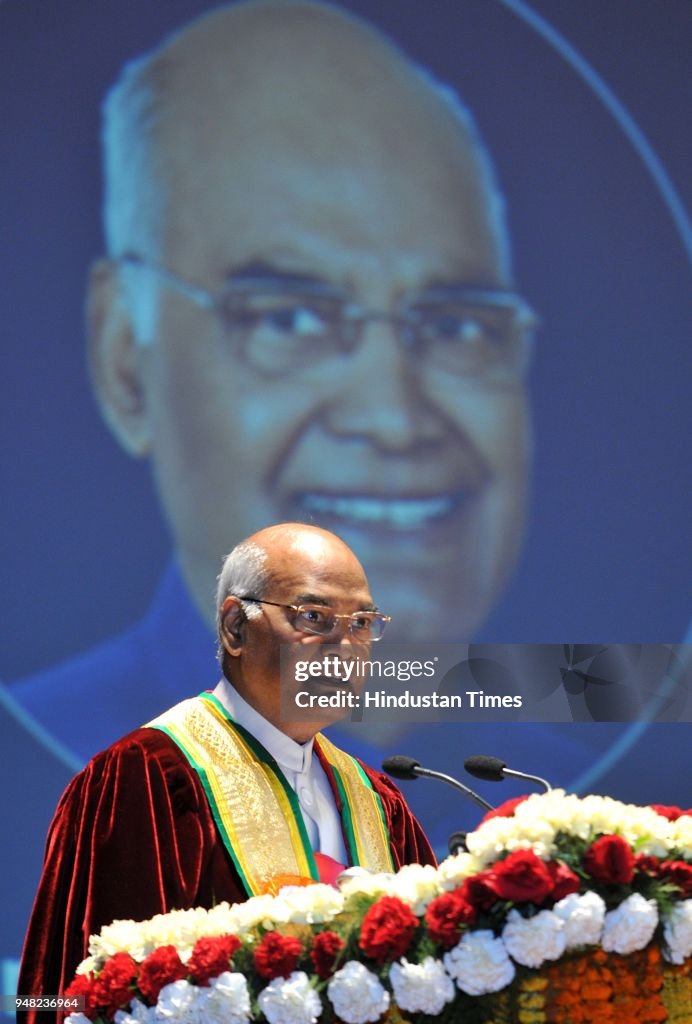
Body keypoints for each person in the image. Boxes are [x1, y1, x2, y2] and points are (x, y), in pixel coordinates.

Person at [11, 0, 534, 757]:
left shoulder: (596, 806)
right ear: (126, 359)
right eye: (288, 320)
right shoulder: (56, 771)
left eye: (455, 325)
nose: (394, 416)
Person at [18, 524, 435, 1021]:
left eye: (362, 622)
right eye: (315, 617)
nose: (346, 645)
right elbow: (66, 995)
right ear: (236, 627)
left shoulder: (377, 799)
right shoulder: (149, 776)